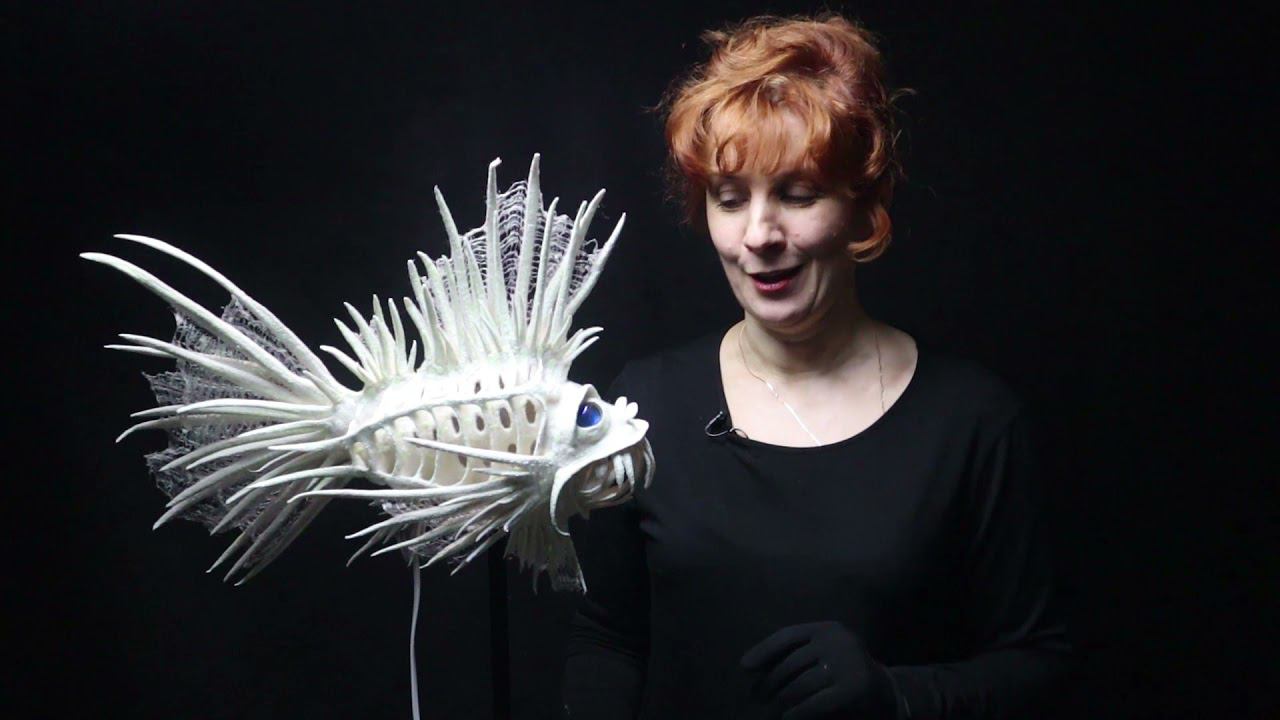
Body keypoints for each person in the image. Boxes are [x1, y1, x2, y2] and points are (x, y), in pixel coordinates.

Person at [562, 13, 1074, 719]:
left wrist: (897, 696)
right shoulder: (644, 408)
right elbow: (607, 639)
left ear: (863, 206)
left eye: (798, 195)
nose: (759, 235)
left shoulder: (971, 423)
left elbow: (1039, 663)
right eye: (730, 199)